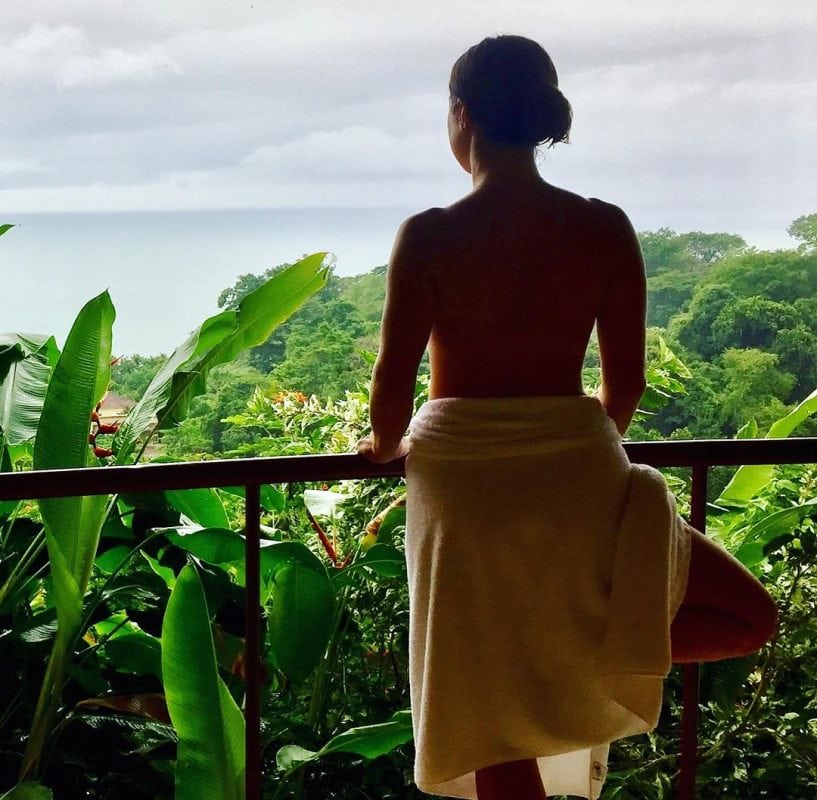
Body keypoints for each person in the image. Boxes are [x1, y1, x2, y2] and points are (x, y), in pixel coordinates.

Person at [358, 35, 777, 800]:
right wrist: (576, 453)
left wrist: (384, 447)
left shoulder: (430, 234)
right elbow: (625, 385)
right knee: (748, 615)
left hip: (465, 492)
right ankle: (583, 656)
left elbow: (393, 388)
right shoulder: (601, 227)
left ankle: (562, 662)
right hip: (577, 471)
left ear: (461, 116)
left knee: (485, 698)